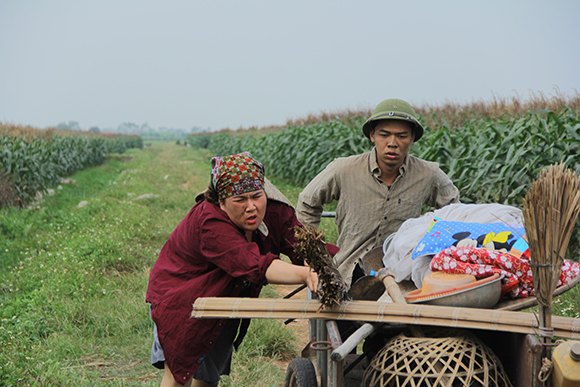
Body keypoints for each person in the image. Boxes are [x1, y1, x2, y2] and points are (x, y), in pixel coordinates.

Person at [146, 152, 338, 387]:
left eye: (257, 196)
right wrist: (306, 274)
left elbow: (303, 246)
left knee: (207, 378)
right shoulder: (209, 221)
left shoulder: (276, 212)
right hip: (182, 296)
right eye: (240, 200)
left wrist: (324, 260)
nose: (252, 207)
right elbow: (253, 264)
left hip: (226, 297)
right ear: (221, 201)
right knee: (179, 375)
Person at [296, 98, 460, 288]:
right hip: (348, 273)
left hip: (404, 274)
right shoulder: (343, 169)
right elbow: (307, 202)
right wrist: (313, 257)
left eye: (402, 136)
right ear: (372, 135)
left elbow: (455, 214)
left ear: (412, 138)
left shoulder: (429, 174)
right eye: (384, 135)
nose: (392, 143)